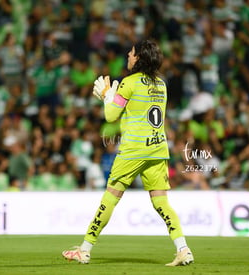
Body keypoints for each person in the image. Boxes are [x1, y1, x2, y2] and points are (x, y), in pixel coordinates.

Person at [62, 40, 194, 266]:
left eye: (132, 53)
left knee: (110, 198)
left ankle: (84, 250)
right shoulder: (161, 84)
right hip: (157, 148)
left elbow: (111, 116)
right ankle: (183, 249)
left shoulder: (128, 82)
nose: (128, 56)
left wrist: (106, 96)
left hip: (133, 150)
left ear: (139, 58)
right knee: (162, 202)